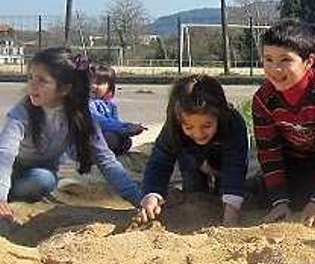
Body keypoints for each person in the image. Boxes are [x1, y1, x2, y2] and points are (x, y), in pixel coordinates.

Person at [0, 49, 141, 222]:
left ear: (65, 89)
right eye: (30, 77)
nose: (31, 86)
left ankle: (11, 195)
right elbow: (5, 154)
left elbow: (106, 161)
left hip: (35, 176)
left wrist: (138, 199)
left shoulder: (81, 116)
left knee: (44, 180)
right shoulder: (22, 111)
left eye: (42, 80)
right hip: (5, 171)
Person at [252, 19, 315, 228]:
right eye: (268, 59)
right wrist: (279, 200)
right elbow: (268, 152)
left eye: (285, 60)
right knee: (265, 199)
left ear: (309, 61)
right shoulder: (262, 99)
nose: (275, 69)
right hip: (289, 161)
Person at [134, 75, 249, 227]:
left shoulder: (233, 123)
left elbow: (235, 167)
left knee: (227, 188)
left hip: (222, 156)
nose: (198, 133)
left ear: (219, 116)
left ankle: (224, 198)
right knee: (194, 188)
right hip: (190, 156)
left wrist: (231, 217)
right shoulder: (173, 129)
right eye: (189, 127)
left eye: (206, 126)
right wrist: (151, 196)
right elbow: (159, 163)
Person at [88, 64, 146, 156]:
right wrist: (125, 127)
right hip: (90, 137)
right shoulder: (88, 103)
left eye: (99, 83)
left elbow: (115, 121)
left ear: (109, 87)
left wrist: (128, 129)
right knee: (110, 138)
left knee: (127, 141)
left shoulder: (110, 104)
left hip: (104, 135)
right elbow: (100, 122)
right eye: (90, 82)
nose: (93, 86)